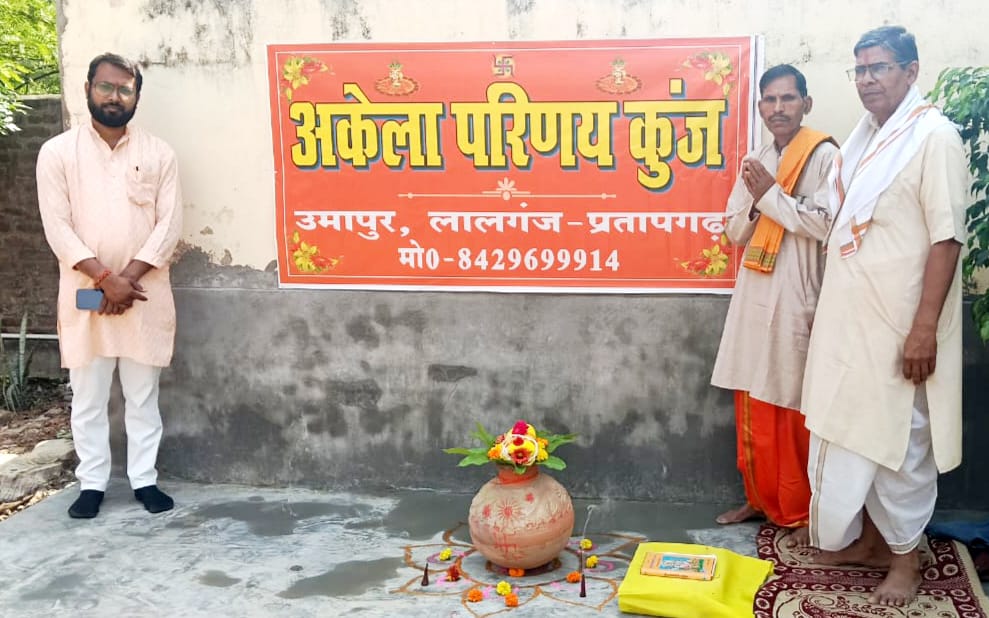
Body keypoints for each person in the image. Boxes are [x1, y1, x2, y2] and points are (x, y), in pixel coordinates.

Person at [801, 26, 968, 607]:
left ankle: (906, 559)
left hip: (901, 326)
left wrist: (924, 329)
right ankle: (872, 544)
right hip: (850, 323)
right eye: (860, 69)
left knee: (900, 442)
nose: (867, 80)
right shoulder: (864, 140)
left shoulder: (934, 137)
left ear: (911, 70)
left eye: (880, 68)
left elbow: (947, 239)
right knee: (853, 433)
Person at [36, 52, 183, 518]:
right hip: (85, 293)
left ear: (136, 96)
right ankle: (92, 484)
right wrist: (104, 278)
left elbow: (169, 225)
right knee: (89, 397)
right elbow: (57, 227)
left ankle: (144, 480)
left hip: (142, 293)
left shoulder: (158, 153)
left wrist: (125, 281)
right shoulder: (58, 153)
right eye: (106, 87)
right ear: (87, 90)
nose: (114, 97)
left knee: (142, 395)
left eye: (124, 89)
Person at [711, 64, 838, 546]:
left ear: (807, 103)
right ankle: (759, 498)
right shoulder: (757, 158)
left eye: (788, 98)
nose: (778, 108)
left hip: (797, 292)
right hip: (754, 291)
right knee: (751, 398)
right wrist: (756, 199)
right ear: (760, 107)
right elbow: (733, 231)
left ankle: (800, 510)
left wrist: (770, 195)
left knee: (789, 404)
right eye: (770, 99)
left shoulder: (825, 155)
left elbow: (826, 224)